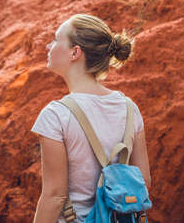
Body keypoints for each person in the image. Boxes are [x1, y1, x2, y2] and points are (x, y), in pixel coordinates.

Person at [31, 14, 151, 223]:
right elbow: (144, 181)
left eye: (56, 39)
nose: (48, 46)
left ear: (75, 52)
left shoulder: (56, 115)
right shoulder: (130, 109)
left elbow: (54, 196)